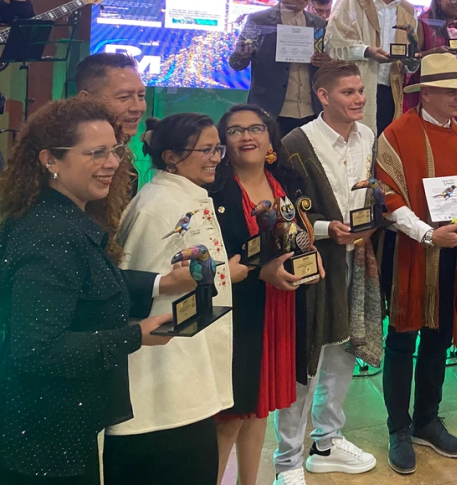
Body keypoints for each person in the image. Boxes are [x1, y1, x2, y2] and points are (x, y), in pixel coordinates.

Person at [0, 99, 171, 484]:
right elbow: (37, 349)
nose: (112, 163)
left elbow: (87, 294)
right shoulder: (50, 235)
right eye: (96, 153)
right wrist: (135, 336)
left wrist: (163, 284)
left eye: (115, 151)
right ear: (51, 160)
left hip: (59, 425)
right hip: (43, 435)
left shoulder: (64, 219)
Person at [104, 114, 246, 485]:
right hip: (161, 382)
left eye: (218, 149)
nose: (215, 158)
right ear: (170, 157)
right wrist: (167, 284)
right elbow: (129, 287)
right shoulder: (157, 207)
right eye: (205, 150)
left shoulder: (190, 196)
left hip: (191, 369)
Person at [375, 53, 457, 475]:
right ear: (425, 93)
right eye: (449, 91)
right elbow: (389, 200)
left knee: (439, 338)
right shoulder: (396, 134)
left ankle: (427, 419)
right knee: (402, 339)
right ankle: (398, 428)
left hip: (451, 251)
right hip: (411, 253)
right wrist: (429, 234)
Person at [274, 61, 380, 483]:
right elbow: (283, 208)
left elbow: (369, 194)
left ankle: (327, 442)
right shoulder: (296, 143)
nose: (358, 99)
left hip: (358, 259)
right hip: (314, 264)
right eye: (348, 92)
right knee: (306, 360)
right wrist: (324, 229)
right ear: (323, 96)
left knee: (344, 350)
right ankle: (286, 461)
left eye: (360, 90)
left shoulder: (367, 136)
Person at [209, 105, 309, 485]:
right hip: (238, 313)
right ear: (223, 141)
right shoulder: (213, 190)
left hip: (280, 307)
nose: (246, 136)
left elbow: (298, 234)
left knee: (259, 410)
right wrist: (259, 272)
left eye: (255, 128)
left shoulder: (286, 181)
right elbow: (212, 257)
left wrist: (310, 259)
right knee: (230, 417)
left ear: (270, 138)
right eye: (235, 130)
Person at [75, 51, 196, 301]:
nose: (137, 107)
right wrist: (161, 283)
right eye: (123, 97)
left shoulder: (126, 166)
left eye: (140, 96)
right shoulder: (68, 165)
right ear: (86, 100)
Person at [229, 0, 331, 137]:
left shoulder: (319, 24)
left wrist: (326, 62)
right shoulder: (258, 20)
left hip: (311, 112)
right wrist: (242, 54)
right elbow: (236, 63)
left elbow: (326, 67)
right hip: (270, 111)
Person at [326, 0, 416, 134]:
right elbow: (333, 42)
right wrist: (367, 51)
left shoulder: (407, 10)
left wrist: (411, 63)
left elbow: (408, 53)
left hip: (391, 93)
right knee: (350, 141)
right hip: (354, 88)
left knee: (383, 144)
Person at [404, 0, 457, 129]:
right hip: (433, 89)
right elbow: (411, 59)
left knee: (455, 133)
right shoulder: (423, 22)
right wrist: (434, 52)